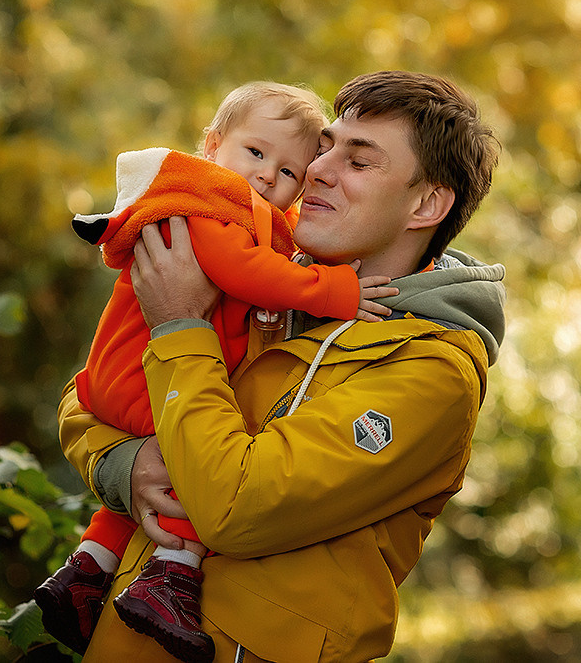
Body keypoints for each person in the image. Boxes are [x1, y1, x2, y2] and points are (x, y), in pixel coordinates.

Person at [55, 70, 506, 662]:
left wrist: (180, 326)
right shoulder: (269, 276)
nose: (317, 170)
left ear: (426, 204)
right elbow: (95, 389)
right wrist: (125, 463)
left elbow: (234, 508)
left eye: (358, 161)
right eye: (325, 148)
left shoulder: (431, 372)